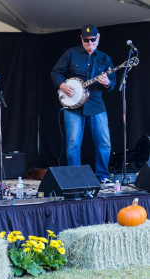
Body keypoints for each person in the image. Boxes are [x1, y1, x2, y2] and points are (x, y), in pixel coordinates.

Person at [51, 24, 116, 185]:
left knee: (104, 143)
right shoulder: (71, 54)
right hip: (73, 107)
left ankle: (102, 175)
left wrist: (107, 82)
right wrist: (63, 85)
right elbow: (55, 72)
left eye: (93, 40)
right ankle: (76, 178)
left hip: (96, 105)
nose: (90, 44)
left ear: (98, 37)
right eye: (86, 41)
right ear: (81, 38)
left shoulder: (104, 58)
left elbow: (112, 83)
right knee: (73, 144)